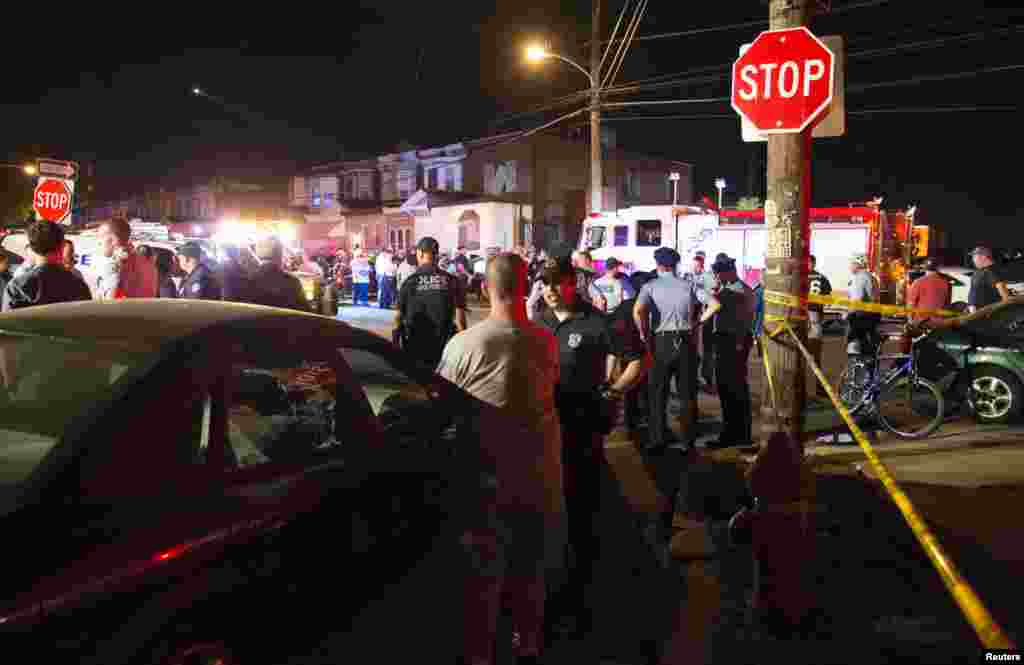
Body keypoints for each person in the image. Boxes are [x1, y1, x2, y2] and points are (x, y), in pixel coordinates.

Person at [437, 253, 562, 665]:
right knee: (531, 568)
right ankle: (526, 643)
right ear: (527, 286)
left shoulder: (464, 345)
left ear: (486, 287)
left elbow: (442, 407)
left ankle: (482, 651)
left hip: (486, 477)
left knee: (484, 573)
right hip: (540, 476)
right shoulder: (545, 339)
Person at [537, 254, 647, 637]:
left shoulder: (597, 323)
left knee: (583, 506)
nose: (550, 290)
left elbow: (636, 360)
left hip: (583, 430)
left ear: (573, 283)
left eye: (558, 282)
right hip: (542, 429)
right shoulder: (539, 321)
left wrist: (614, 391)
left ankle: (584, 589)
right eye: (545, 283)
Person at [633, 247, 705, 453]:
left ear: (658, 265)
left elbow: (638, 311)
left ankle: (657, 440)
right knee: (687, 394)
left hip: (660, 341)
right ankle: (689, 441)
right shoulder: (689, 285)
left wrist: (643, 333)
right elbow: (714, 304)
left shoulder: (650, 286)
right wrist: (698, 321)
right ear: (675, 265)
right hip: (685, 340)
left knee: (657, 393)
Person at [705, 255, 757, 449]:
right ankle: (738, 433)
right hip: (733, 342)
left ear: (727, 272)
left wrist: (737, 344)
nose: (716, 277)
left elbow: (742, 323)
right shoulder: (736, 289)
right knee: (733, 390)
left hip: (732, 343)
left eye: (718, 274)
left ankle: (733, 434)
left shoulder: (735, 292)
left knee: (731, 390)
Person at [394, 237, 468, 370]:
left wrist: (395, 345)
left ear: (420, 253)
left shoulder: (409, 282)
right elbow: (460, 320)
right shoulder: (452, 281)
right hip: (444, 345)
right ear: (436, 254)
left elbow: (398, 319)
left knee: (420, 383)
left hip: (415, 345)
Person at [3, 221, 91, 311]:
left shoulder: (17, 287)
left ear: (32, 248)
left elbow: (6, 323)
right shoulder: (78, 286)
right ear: (62, 246)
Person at [96, 218, 158, 299]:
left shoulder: (115, 265)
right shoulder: (149, 265)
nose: (98, 242)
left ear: (113, 240)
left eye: (101, 237)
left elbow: (109, 304)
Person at [247, 237, 310, 312]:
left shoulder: (247, 279)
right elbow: (305, 312)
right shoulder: (291, 282)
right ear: (280, 256)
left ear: (257, 254)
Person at [846, 253, 881, 357]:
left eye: (852, 263)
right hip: (872, 316)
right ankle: (869, 369)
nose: (850, 266)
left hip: (861, 317)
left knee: (854, 347)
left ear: (858, 264)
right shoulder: (871, 277)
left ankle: (855, 370)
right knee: (869, 348)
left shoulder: (859, 277)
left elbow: (857, 299)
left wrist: (848, 314)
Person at [807, 255, 833, 395]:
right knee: (816, 355)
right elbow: (828, 298)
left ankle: (800, 387)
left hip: (801, 315)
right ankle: (818, 387)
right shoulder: (821, 277)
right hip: (815, 315)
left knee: (798, 354)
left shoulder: (799, 276)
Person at [907, 257, 951, 326]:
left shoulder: (918, 282)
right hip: (938, 323)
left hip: (921, 323)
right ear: (937, 269)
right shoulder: (946, 283)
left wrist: (910, 321)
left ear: (924, 268)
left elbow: (911, 304)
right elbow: (947, 305)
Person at [968, 245, 1010, 312]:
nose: (973, 259)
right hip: (975, 314)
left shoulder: (993, 271)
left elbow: (1004, 293)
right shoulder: (979, 272)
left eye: (974, 256)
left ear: (983, 256)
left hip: (986, 315)